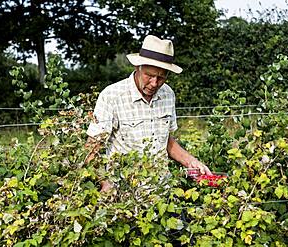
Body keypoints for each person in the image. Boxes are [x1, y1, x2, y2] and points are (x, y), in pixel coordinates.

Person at [85, 35, 212, 191]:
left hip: (162, 191)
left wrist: (191, 161)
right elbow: (91, 149)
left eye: (161, 77)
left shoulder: (167, 94)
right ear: (138, 67)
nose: (154, 83)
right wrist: (105, 183)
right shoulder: (112, 96)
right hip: (125, 193)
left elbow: (165, 140)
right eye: (149, 75)